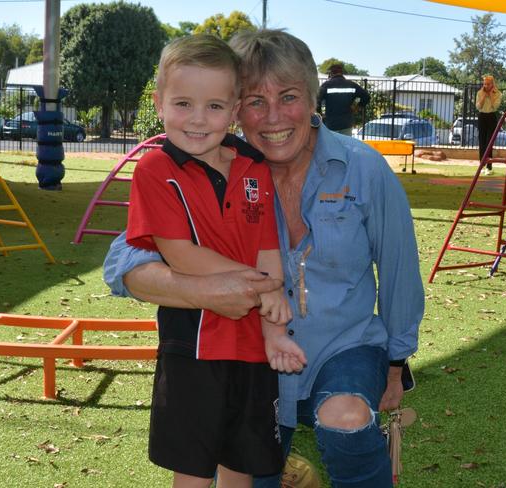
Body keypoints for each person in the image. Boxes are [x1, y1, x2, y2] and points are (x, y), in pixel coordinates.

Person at [104, 29, 425, 488]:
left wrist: (397, 363)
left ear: (313, 97)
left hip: (344, 346)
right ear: (238, 107)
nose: (273, 116)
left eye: (289, 96)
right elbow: (126, 257)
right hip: (251, 357)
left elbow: (399, 271)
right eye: (256, 100)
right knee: (248, 473)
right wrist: (201, 290)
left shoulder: (364, 169)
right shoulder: (215, 168)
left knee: (345, 420)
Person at [126, 34, 306, 488]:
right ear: (159, 103)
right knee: (192, 468)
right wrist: (264, 287)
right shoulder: (154, 171)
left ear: (234, 109)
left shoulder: (253, 167)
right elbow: (181, 256)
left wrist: (274, 331)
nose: (198, 120)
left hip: (251, 351)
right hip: (193, 346)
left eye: (214, 107)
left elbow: (268, 247)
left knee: (239, 465)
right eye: (183, 103)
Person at [316, 63, 370, 136]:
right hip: (346, 123)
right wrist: (357, 107)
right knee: (345, 145)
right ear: (342, 73)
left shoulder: (326, 85)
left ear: (331, 73)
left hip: (331, 123)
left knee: (332, 145)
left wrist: (320, 115)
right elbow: (366, 96)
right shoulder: (351, 84)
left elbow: (316, 100)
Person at [475, 75, 502, 175]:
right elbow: (478, 106)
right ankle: (481, 165)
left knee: (489, 142)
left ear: (492, 84)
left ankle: (489, 167)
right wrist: (484, 96)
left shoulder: (498, 94)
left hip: (491, 117)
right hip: (482, 116)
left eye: (488, 84)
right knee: (482, 142)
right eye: (484, 84)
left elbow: (495, 107)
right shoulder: (479, 93)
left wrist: (490, 95)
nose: (486, 86)